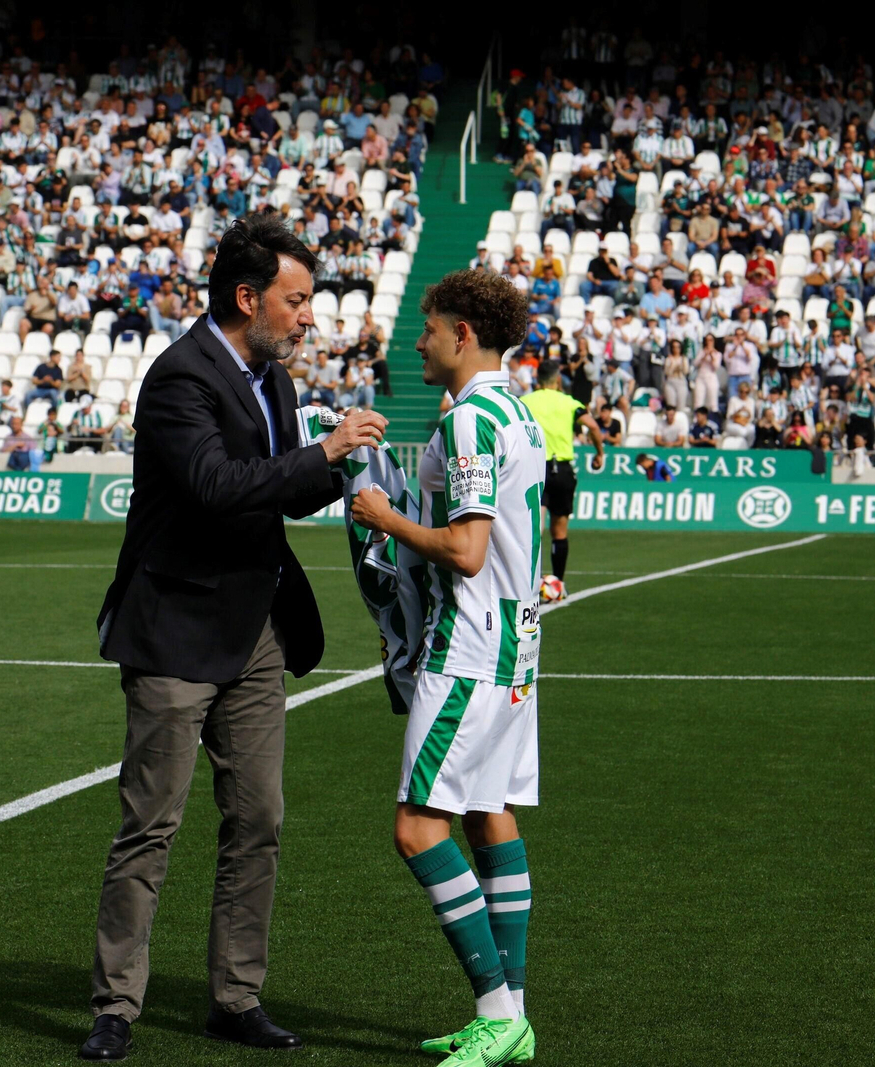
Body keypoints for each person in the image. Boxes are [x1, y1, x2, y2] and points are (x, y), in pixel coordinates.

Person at [84, 213, 387, 1061]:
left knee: (258, 818)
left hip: (256, 629)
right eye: (296, 301)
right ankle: (115, 1005)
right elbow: (218, 486)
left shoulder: (274, 379)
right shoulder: (179, 376)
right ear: (248, 298)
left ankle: (235, 995)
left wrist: (348, 471)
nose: (308, 317)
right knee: (151, 825)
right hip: (176, 627)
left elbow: (281, 495)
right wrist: (322, 449)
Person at [348, 268, 540, 1067]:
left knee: (417, 828)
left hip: (470, 647)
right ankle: (512, 1016)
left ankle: (497, 1011)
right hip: (516, 645)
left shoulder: (468, 423)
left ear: (464, 334)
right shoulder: (516, 409)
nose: (418, 340)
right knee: (488, 812)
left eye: (429, 328)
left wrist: (383, 516)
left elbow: (465, 551)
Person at [517, 359, 604, 597]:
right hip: (562, 469)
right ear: (557, 380)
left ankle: (526, 584)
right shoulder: (569, 402)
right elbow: (594, 427)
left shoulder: (524, 402)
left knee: (535, 529)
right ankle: (559, 584)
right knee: (560, 531)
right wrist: (599, 453)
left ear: (537, 380)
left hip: (534, 468)